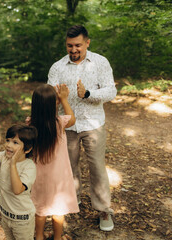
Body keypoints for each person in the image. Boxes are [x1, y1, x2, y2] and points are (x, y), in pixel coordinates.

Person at [47, 25, 117, 231]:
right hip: (66, 126)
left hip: (93, 123)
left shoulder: (100, 62)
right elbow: (50, 98)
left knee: (97, 167)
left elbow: (111, 91)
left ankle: (104, 209)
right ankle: (71, 203)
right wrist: (56, 102)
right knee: (69, 167)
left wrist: (87, 94)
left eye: (78, 45)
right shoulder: (57, 67)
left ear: (87, 42)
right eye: (70, 45)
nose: (74, 49)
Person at [28, 84, 79, 240]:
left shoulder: (30, 124)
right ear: (54, 104)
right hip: (58, 177)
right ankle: (57, 237)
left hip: (38, 176)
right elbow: (72, 117)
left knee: (39, 208)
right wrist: (63, 99)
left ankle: (39, 236)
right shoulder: (60, 122)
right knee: (58, 210)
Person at [0, 124, 38, 240]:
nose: (9, 145)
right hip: (5, 215)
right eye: (8, 140)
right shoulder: (4, 156)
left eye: (15, 143)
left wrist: (13, 164)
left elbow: (17, 190)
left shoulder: (29, 167)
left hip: (22, 220)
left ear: (28, 149)